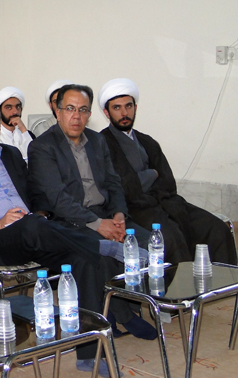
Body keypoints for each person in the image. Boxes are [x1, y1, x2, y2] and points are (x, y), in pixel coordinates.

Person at [0, 100, 140, 376]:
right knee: (34, 226)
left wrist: (41, 213)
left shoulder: (11, 154)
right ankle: (102, 245)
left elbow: (36, 193)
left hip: (34, 233)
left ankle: (89, 354)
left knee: (85, 260)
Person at [27, 84, 157, 340]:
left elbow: (113, 183)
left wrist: (118, 215)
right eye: (70, 109)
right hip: (68, 220)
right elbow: (58, 199)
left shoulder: (97, 141)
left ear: (89, 114)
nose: (76, 116)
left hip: (104, 213)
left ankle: (131, 305)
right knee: (103, 253)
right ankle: (122, 315)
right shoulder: (42, 147)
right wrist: (98, 224)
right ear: (58, 111)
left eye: (83, 110)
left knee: (146, 243)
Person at [98, 78, 237, 265]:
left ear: (135, 108)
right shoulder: (101, 143)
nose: (124, 113)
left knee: (216, 228)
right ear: (107, 112)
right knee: (170, 238)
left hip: (166, 202)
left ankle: (224, 282)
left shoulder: (147, 141)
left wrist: (144, 181)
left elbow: (168, 182)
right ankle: (184, 284)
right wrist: (151, 174)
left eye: (128, 106)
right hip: (136, 209)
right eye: (117, 108)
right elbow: (122, 186)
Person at [0, 86, 35, 161]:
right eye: (9, 108)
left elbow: (35, 159)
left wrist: (23, 130)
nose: (15, 112)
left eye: (18, 107)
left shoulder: (28, 135)